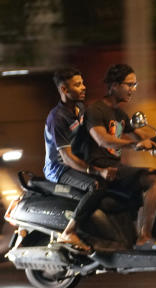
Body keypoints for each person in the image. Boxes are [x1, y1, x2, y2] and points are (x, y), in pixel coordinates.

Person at [78, 64, 156, 250]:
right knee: (155, 180)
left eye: (135, 85)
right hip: (102, 168)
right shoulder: (96, 110)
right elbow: (103, 140)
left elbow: (140, 135)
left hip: (116, 168)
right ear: (114, 85)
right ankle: (145, 236)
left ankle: (138, 236)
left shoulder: (120, 114)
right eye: (129, 84)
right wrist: (134, 144)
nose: (133, 89)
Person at [44, 68, 113, 251]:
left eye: (82, 83)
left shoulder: (80, 108)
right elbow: (66, 158)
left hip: (76, 163)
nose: (84, 87)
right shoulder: (56, 118)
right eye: (78, 84)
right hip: (59, 168)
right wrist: (97, 171)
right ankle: (69, 232)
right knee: (95, 186)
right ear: (64, 90)